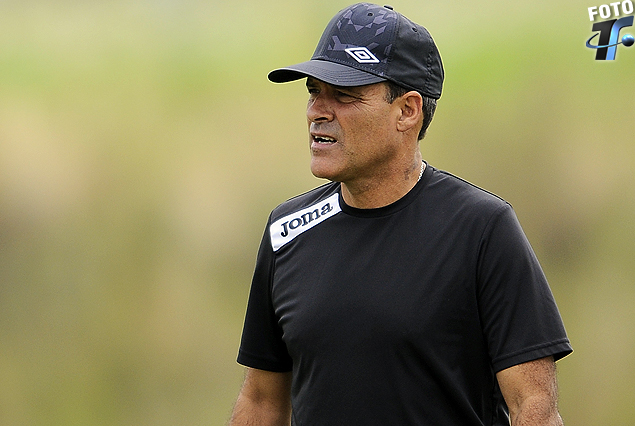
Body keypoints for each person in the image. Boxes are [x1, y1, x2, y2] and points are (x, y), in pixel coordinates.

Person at [229, 3, 572, 425]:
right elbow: (261, 400)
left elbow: (534, 406)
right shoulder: (286, 231)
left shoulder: (482, 229)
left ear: (407, 111)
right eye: (314, 91)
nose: (318, 110)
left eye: (344, 95)